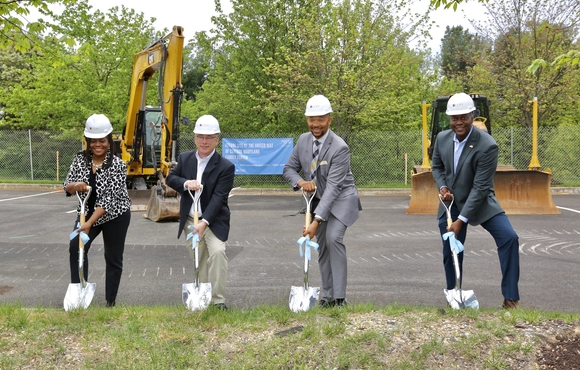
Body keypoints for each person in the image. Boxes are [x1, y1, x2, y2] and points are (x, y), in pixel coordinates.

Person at [431, 92, 520, 309]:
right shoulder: (442, 138)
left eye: (463, 117)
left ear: (472, 116)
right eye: (454, 118)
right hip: (452, 203)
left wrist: (460, 221)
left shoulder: (487, 145)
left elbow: (480, 188)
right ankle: (454, 294)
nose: (458, 122)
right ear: (449, 119)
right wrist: (443, 187)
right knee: (451, 249)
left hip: (480, 202)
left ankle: (510, 298)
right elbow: (437, 166)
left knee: (509, 238)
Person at [283, 94, 362, 308]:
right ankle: (327, 296)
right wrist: (301, 181)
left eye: (320, 119)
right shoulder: (303, 140)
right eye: (311, 119)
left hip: (341, 199)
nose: (315, 124)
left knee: (333, 238)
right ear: (307, 120)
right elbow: (288, 169)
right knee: (323, 245)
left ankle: (339, 297)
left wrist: (315, 221)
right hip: (319, 200)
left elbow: (334, 188)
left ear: (329, 120)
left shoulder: (339, 147)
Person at [166, 115, 235, 310]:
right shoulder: (185, 159)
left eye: (209, 137)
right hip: (190, 220)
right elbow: (171, 179)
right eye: (201, 137)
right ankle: (203, 299)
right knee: (199, 259)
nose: (204, 141)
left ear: (216, 140)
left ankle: (218, 301)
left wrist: (204, 223)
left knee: (218, 253)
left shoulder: (226, 167)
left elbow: (218, 198)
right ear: (195, 138)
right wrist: (186, 183)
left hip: (213, 221)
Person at [63, 113, 131, 307]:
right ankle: (78, 289)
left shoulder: (118, 165)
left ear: (109, 141)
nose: (97, 145)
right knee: (76, 246)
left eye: (102, 140)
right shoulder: (80, 159)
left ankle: (110, 301)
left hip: (115, 215)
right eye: (93, 141)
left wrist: (89, 224)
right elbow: (66, 185)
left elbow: (108, 201)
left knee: (113, 257)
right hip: (86, 212)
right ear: (88, 141)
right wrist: (75, 185)